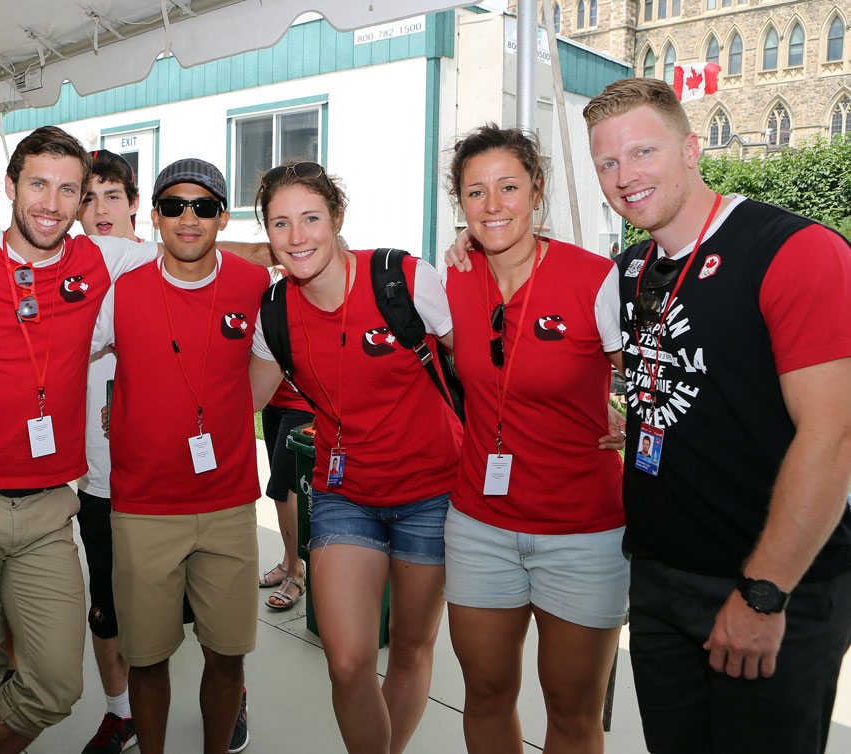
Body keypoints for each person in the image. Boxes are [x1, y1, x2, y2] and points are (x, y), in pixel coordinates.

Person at [587, 77, 851, 754]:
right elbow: (679, 378)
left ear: (692, 149)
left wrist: (764, 593)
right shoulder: (629, 271)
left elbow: (836, 434)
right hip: (658, 579)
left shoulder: (793, 250)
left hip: (769, 587)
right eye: (608, 163)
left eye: (643, 152)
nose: (626, 177)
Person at [0, 126, 161, 754]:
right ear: (13, 184)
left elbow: (196, 250)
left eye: (68, 189)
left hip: (51, 506)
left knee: (52, 682)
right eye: (38, 184)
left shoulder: (100, 261)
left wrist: (316, 246)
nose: (52, 202)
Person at [247, 161, 461, 754]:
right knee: (346, 661)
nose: (297, 237)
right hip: (344, 494)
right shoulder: (275, 313)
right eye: (280, 223)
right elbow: (241, 400)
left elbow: (477, 365)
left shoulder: (403, 280)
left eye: (311, 218)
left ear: (338, 218)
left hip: (433, 492)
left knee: (412, 649)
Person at [442, 124, 627, 754]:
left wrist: (634, 419)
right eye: (475, 192)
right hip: (480, 527)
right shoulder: (452, 279)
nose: (493, 205)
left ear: (537, 191)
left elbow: (654, 375)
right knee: (486, 695)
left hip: (582, 533)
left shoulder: (596, 280)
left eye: (508, 187)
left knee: (572, 712)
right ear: (460, 204)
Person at [91, 158, 267, 754]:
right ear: (155, 216)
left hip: (229, 507)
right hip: (143, 509)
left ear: (222, 215)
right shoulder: (122, 291)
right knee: (147, 659)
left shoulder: (253, 285)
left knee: (227, 656)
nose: (187, 218)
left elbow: (268, 367)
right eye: (173, 206)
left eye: (203, 206)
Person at [76, 148, 144, 754]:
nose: (99, 210)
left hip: (167, 480)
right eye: (87, 198)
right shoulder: (65, 275)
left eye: (112, 197)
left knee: (195, 606)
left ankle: (234, 694)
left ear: (135, 205)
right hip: (97, 478)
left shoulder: (160, 262)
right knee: (107, 605)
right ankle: (120, 712)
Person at [257, 270, 315, 611]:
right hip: (273, 403)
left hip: (302, 408)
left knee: (284, 491)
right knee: (282, 493)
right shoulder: (275, 298)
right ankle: (288, 560)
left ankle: (297, 573)